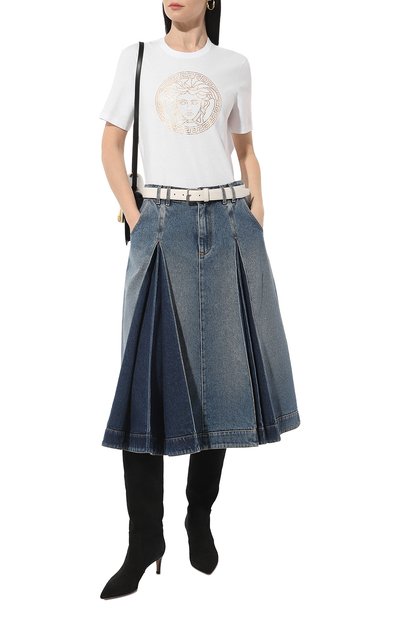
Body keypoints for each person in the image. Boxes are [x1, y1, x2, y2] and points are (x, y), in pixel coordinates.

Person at [98, 0, 301, 600]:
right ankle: (143, 540)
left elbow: (246, 149)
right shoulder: (137, 58)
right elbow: (110, 145)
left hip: (228, 221)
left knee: (218, 380)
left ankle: (199, 517)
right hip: (159, 223)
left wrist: (256, 211)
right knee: (145, 384)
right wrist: (137, 215)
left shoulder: (234, 65)